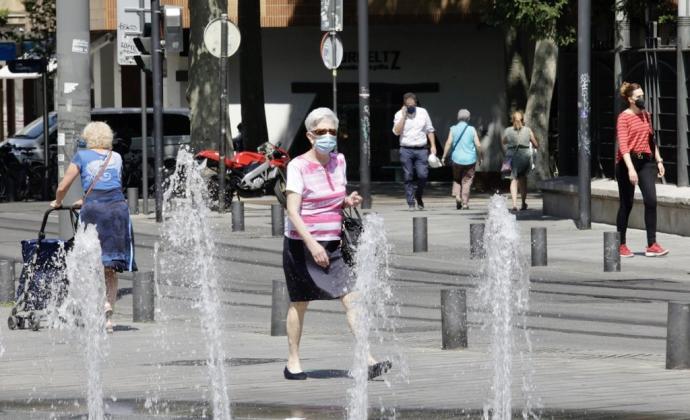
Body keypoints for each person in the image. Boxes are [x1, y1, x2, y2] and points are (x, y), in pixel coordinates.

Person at [282, 107, 391, 380]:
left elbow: (331, 198)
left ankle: (367, 359)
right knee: (300, 302)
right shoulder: (297, 166)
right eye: (321, 132)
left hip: (334, 244)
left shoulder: (339, 161)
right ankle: (293, 361)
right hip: (302, 245)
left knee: (352, 297)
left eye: (332, 131)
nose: (328, 136)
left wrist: (346, 201)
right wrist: (312, 245)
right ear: (310, 136)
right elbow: (293, 210)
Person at [50, 122, 137, 334]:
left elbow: (63, 186)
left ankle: (90, 307)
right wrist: (84, 198)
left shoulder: (82, 156)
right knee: (111, 266)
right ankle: (108, 313)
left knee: (92, 262)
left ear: (88, 138)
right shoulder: (115, 157)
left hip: (94, 211)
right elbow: (109, 184)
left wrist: (57, 201)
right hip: (118, 210)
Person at [615, 82, 668, 258]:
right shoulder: (624, 117)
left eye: (642, 95)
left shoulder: (646, 115)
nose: (642, 99)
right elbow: (623, 146)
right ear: (630, 99)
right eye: (638, 97)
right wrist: (631, 169)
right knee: (626, 204)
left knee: (651, 201)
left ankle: (652, 244)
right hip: (626, 163)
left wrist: (659, 160)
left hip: (646, 162)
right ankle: (620, 244)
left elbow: (651, 140)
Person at [392, 92, 437, 210]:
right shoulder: (398, 114)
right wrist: (403, 117)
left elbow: (430, 129)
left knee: (423, 175)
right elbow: (396, 132)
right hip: (406, 149)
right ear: (405, 105)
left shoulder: (423, 112)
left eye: (413, 105)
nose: (411, 107)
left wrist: (433, 146)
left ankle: (418, 195)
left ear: (416, 103)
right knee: (408, 176)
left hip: (421, 149)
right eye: (408, 105)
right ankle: (410, 202)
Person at [441, 109, 482, 210]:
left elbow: (448, 143)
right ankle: (465, 203)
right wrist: (480, 157)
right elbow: (478, 144)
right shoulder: (472, 129)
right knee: (467, 181)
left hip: (456, 159)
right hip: (470, 160)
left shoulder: (453, 128)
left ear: (457, 117)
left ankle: (457, 196)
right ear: (468, 118)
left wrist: (444, 156)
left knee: (457, 179)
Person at [502, 110, 538, 213]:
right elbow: (535, 144)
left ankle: (514, 204)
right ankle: (523, 203)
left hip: (512, 157)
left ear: (512, 120)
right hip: (525, 157)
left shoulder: (508, 130)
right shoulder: (528, 130)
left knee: (513, 180)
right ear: (523, 120)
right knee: (523, 180)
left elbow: (503, 142)